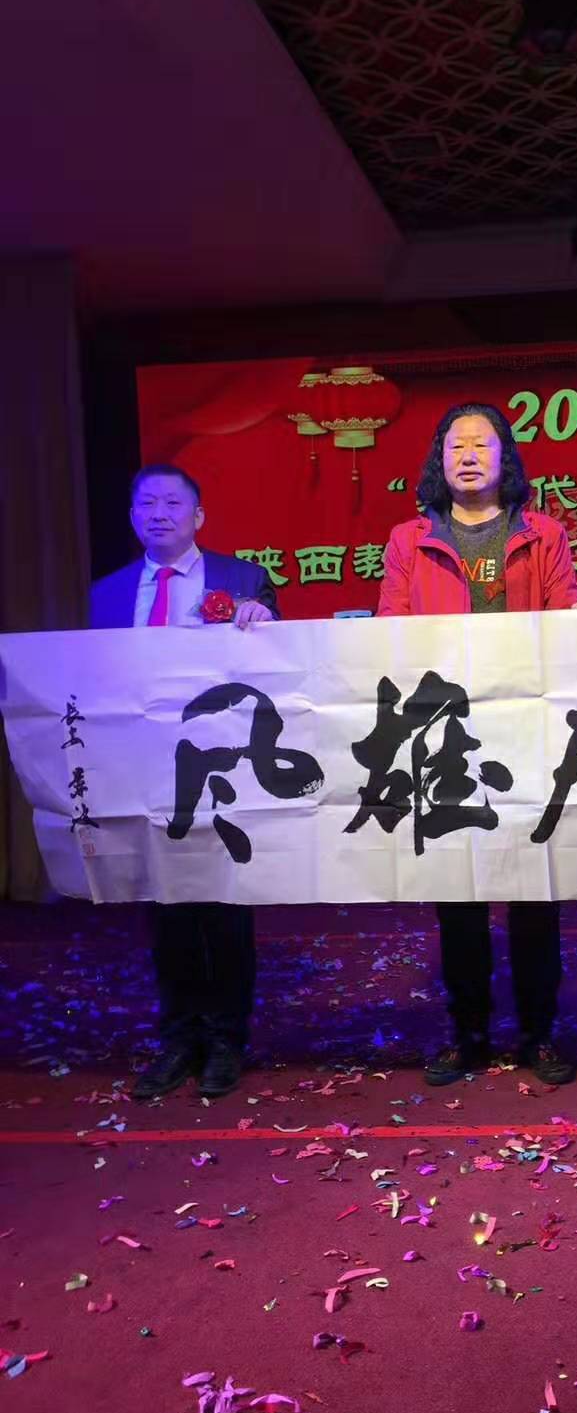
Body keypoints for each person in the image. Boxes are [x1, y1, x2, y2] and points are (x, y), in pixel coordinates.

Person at [377, 403, 577, 1087]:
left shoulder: (543, 534)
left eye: (482, 444)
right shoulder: (410, 539)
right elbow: (389, 628)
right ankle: (468, 1033)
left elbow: (562, 618)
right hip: (444, 736)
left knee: (535, 893)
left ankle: (539, 1032)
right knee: (459, 896)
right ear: (438, 460)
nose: (469, 455)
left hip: (526, 732)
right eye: (456, 446)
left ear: (505, 457)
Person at [90, 464, 279, 1099]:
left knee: (224, 904)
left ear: (198, 516)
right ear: (132, 517)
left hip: (221, 766)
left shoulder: (243, 580)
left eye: (173, 503)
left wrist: (262, 619)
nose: (159, 513)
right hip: (145, 767)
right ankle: (178, 1038)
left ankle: (227, 1038)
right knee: (165, 905)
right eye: (146, 504)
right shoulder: (107, 594)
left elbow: (282, 665)